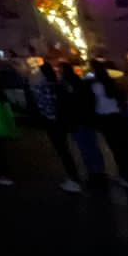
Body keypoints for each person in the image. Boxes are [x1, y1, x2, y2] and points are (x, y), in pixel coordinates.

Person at [30, 62, 82, 192]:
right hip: (63, 122)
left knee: (62, 151)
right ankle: (74, 177)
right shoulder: (59, 84)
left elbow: (46, 108)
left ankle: (73, 180)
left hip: (53, 123)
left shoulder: (42, 87)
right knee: (65, 150)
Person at [88, 60, 128, 186]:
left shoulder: (95, 86)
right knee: (124, 146)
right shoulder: (112, 83)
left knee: (115, 148)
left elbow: (95, 102)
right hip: (117, 117)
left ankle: (124, 175)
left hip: (106, 120)